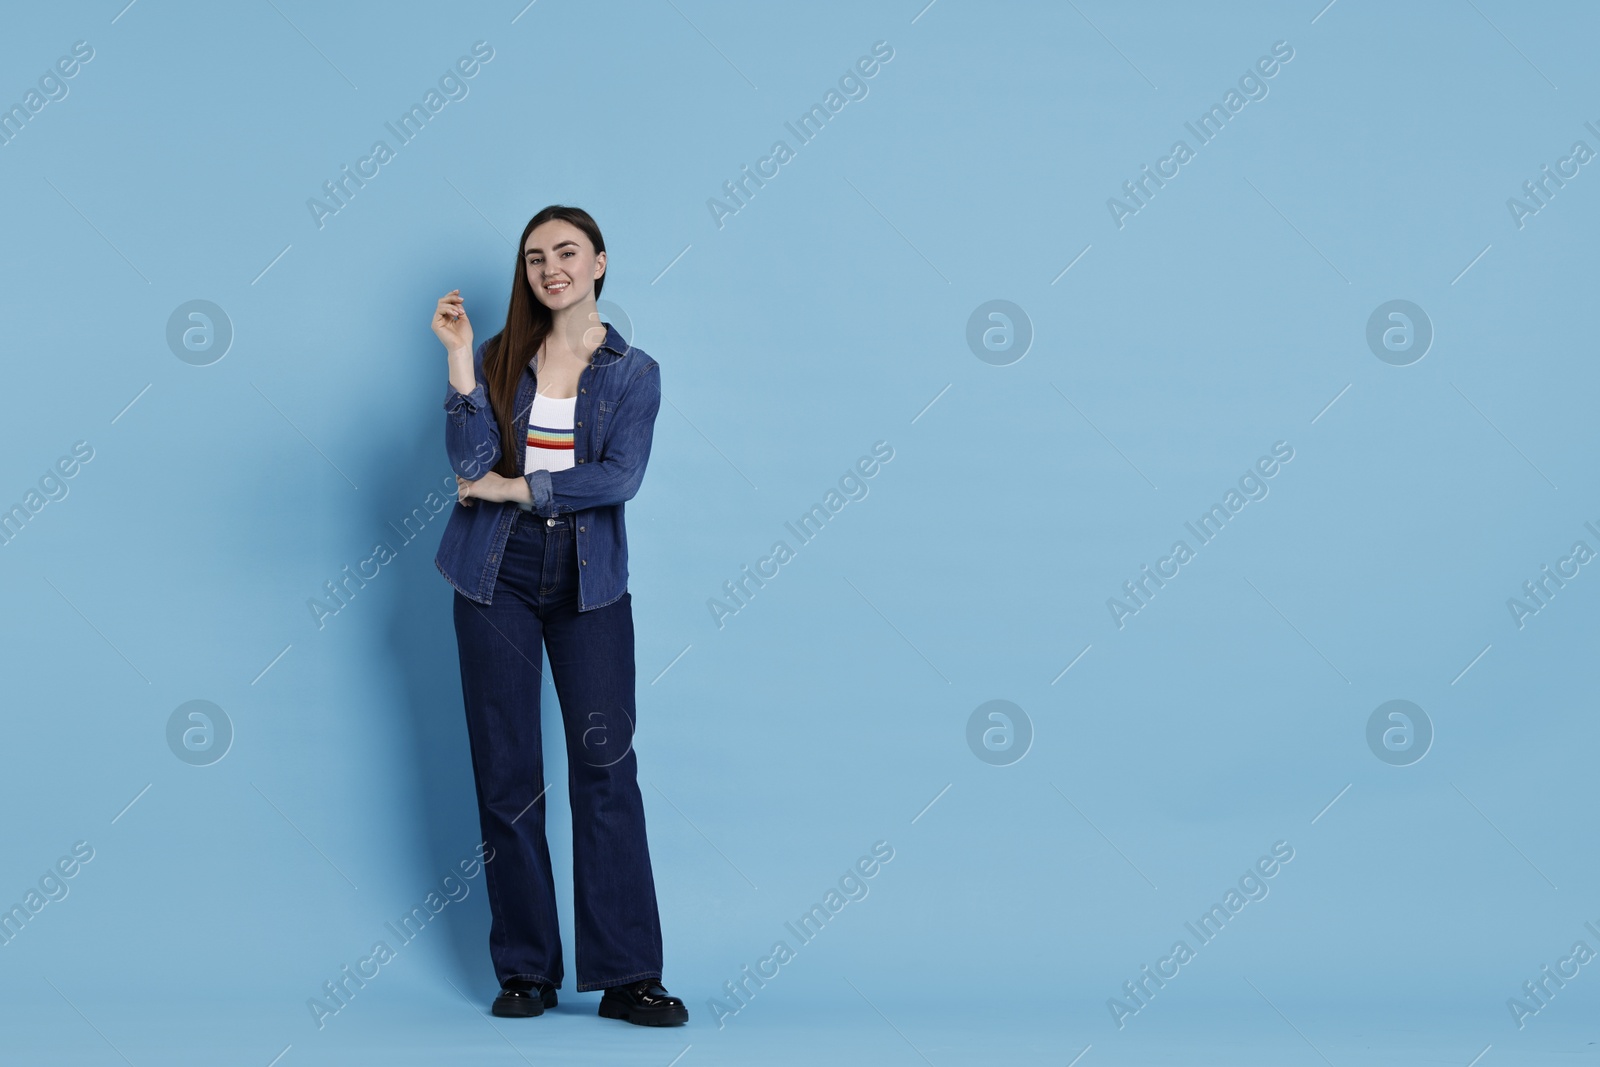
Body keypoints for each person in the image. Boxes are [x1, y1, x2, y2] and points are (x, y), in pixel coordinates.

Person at [430, 204, 687, 1026]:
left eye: (567, 252)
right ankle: (528, 970)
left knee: (606, 768)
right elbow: (470, 461)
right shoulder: (505, 356)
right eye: (537, 256)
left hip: (590, 581)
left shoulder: (633, 372)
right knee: (507, 773)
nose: (551, 268)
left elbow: (619, 477)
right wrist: (463, 360)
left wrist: (522, 486)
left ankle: (628, 975)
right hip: (493, 573)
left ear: (600, 262)